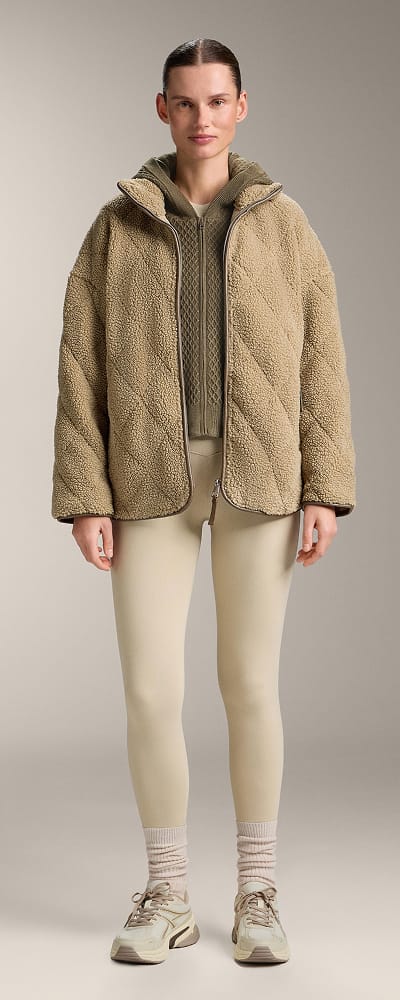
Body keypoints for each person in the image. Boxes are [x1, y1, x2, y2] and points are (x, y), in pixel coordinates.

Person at [51, 37, 356, 966]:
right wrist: (85, 494)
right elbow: (78, 363)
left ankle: (257, 894)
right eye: (185, 102)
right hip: (147, 479)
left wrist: (325, 487)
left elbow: (322, 358)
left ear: (242, 106)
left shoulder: (284, 224)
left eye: (217, 101)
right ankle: (169, 894)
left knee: (249, 685)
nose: (202, 118)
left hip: (260, 477)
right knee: (150, 690)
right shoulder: (117, 227)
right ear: (162, 109)